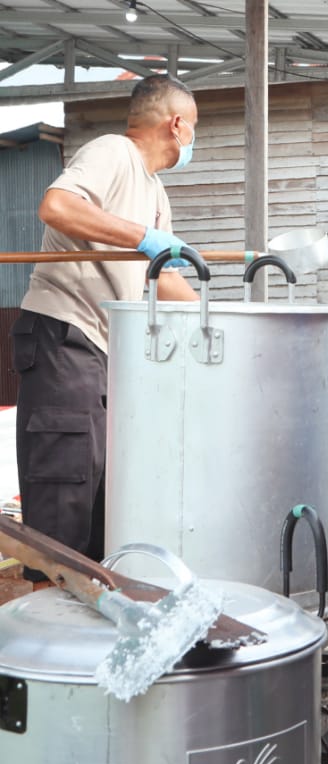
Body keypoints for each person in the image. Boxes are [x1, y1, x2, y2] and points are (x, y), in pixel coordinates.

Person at [13, 75, 200, 585]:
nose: (192, 143)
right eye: (194, 129)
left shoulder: (156, 192)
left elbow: (164, 276)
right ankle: (43, 648)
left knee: (99, 507)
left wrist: (223, 319)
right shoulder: (113, 151)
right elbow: (57, 206)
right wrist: (143, 237)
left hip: (100, 352)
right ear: (177, 124)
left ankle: (84, 635)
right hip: (62, 340)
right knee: (64, 511)